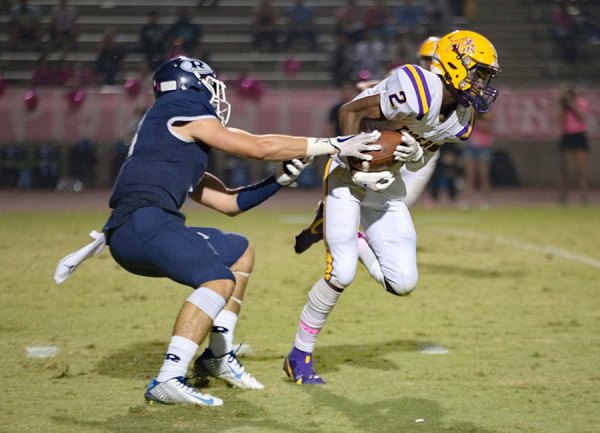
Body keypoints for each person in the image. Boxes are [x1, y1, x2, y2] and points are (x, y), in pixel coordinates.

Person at [54, 56, 381, 406]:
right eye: (210, 85)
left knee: (238, 251)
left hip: (141, 226)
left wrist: (278, 181)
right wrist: (334, 144)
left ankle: (217, 356)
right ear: (190, 85)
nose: (215, 95)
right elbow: (258, 147)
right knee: (217, 280)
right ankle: (168, 377)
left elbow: (227, 203)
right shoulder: (180, 106)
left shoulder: (175, 138)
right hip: (141, 222)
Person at [283, 30, 501, 384]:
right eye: (478, 73)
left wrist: (416, 153)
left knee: (402, 282)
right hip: (348, 174)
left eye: (485, 77)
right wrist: (357, 170)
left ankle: (347, 232)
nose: (481, 84)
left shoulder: (461, 119)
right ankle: (299, 355)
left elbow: (419, 160)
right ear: (455, 64)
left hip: (387, 184)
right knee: (341, 273)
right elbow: (350, 112)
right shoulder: (418, 87)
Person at [294, 35, 441, 254]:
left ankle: (332, 219)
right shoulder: (412, 75)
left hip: (424, 149)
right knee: (389, 199)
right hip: (397, 142)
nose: (429, 63)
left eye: (432, 58)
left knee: (402, 199)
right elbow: (386, 87)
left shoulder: (454, 87)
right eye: (427, 58)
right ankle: (351, 233)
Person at [557, 87, 590, 204]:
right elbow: (559, 122)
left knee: (581, 169)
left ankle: (583, 196)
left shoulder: (581, 103)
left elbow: (582, 118)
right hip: (567, 135)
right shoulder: (563, 106)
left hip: (579, 135)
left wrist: (573, 106)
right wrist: (562, 107)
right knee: (566, 169)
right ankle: (563, 196)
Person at [460, 111, 494, 209]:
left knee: (483, 174)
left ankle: (486, 200)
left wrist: (477, 120)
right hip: (471, 145)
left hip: (484, 146)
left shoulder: (486, 111)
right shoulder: (468, 110)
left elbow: (488, 128)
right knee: (469, 174)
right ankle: (466, 200)